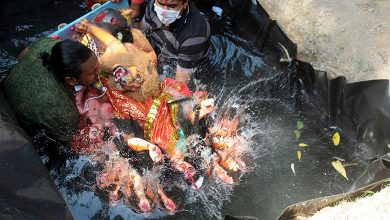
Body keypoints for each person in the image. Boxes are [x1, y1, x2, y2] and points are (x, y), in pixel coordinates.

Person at [3, 38, 101, 142]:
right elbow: (75, 143)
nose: (99, 70)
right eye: (92, 72)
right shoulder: (61, 112)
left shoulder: (48, 45)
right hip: (13, 117)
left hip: (10, 82)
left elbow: (21, 55)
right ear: (70, 80)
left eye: (97, 64)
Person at [141, 0, 211, 83]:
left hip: (184, 65)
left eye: (172, 6)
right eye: (161, 4)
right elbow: (141, 35)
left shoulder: (195, 34)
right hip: (160, 50)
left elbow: (180, 85)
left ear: (185, 4)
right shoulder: (153, 5)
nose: (164, 11)